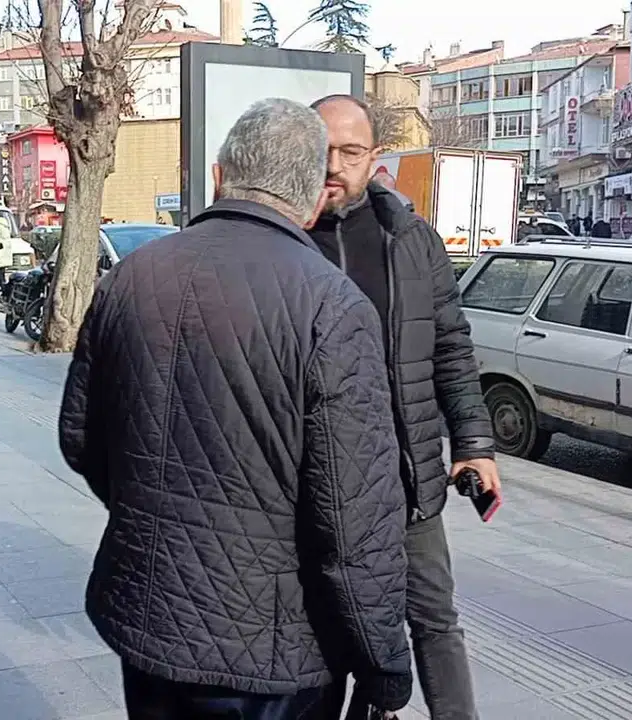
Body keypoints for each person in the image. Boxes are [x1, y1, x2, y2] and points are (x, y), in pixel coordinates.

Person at [59, 98, 412, 720]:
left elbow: (82, 439)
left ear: (219, 177)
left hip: (150, 618)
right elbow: (358, 519)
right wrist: (386, 667)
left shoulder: (131, 277)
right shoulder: (332, 306)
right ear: (313, 199)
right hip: (275, 653)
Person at [311, 94, 499, 720]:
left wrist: (474, 444)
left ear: (375, 159)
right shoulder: (285, 241)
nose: (335, 165)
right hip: (320, 487)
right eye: (323, 150)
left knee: (435, 619)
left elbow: (451, 347)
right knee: (331, 630)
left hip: (408, 479)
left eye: (351, 152)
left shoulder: (412, 240)